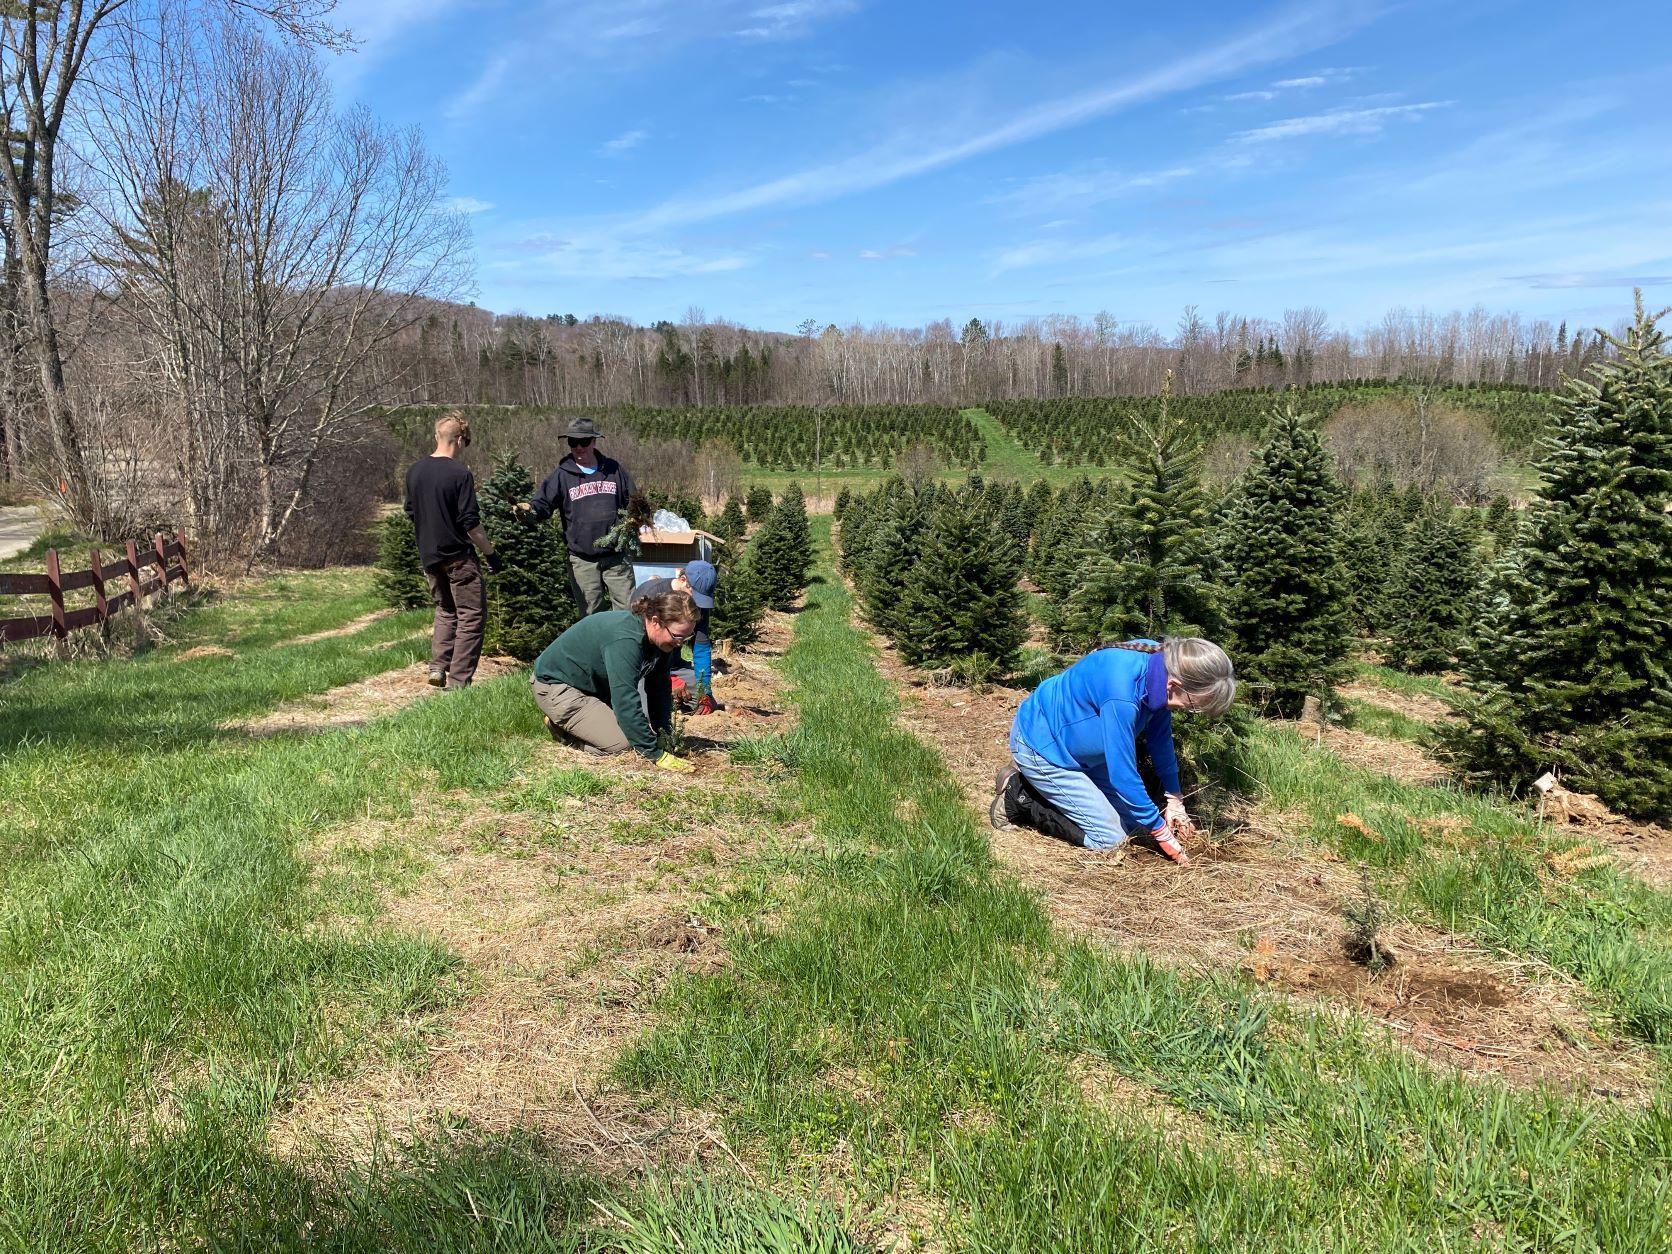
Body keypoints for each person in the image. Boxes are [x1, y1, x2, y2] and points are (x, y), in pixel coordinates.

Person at [992, 637, 1235, 864]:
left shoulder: (1163, 663)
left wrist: (1174, 799)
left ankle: (1049, 792)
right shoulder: (1122, 691)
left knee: (1135, 828)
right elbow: (1122, 772)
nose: (1187, 711)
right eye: (1193, 705)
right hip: (1045, 749)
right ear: (1175, 685)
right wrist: (1161, 831)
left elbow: (1160, 739)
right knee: (1111, 840)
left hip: (1089, 758)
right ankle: (1021, 796)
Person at [529, 586, 699, 773]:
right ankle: (563, 732)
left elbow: (659, 690)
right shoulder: (626, 639)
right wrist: (653, 753)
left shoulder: (663, 642)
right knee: (624, 744)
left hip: (593, 689)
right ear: (656, 621)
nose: (680, 644)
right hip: (557, 687)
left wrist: (664, 736)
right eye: (677, 636)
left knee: (639, 731)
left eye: (686, 637)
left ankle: (585, 723)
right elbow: (625, 699)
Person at [403, 413, 503, 689]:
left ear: (437, 436)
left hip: (429, 558)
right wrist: (491, 553)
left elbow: (411, 511)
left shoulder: (414, 472)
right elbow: (471, 524)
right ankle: (459, 683)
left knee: (446, 610)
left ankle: (438, 667)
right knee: (471, 616)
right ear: (459, 440)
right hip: (459, 558)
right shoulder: (460, 474)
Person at [518, 416, 636, 617]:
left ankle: (626, 648)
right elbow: (542, 504)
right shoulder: (561, 475)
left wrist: (638, 518)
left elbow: (633, 501)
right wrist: (529, 510)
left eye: (584, 442)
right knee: (591, 614)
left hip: (617, 557)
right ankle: (596, 649)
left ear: (594, 441)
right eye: (573, 442)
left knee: (628, 611)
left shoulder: (613, 470)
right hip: (583, 560)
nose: (578, 447)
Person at [629, 560, 718, 715]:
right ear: (683, 580)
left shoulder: (698, 603)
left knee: (703, 699)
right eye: (695, 595)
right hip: (643, 667)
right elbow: (635, 650)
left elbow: (701, 647)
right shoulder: (651, 593)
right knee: (645, 708)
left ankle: (672, 698)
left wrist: (704, 691)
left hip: (675, 666)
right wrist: (670, 679)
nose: (697, 603)